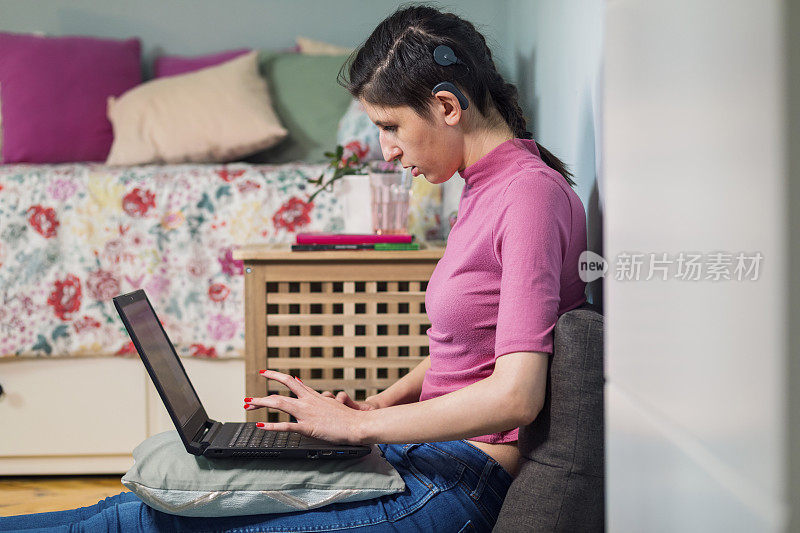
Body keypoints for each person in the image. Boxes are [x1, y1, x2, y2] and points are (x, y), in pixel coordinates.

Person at [0, 5, 587, 532]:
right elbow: (470, 346)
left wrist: (357, 430)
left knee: (138, 525)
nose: (386, 151)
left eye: (389, 127)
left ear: (447, 107)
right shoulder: (485, 188)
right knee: (127, 511)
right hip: (424, 457)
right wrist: (379, 404)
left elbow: (516, 395)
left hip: (459, 483)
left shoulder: (528, 195)